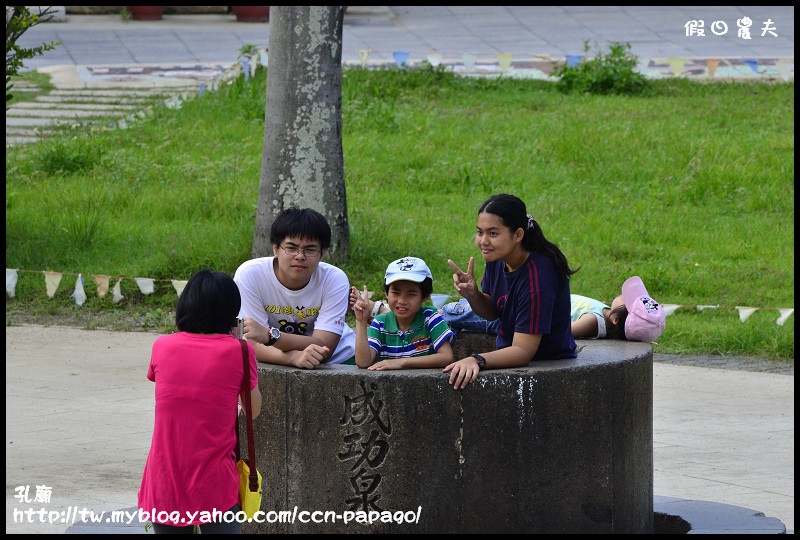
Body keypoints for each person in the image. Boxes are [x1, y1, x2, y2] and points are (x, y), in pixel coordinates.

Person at [138, 269, 262, 534]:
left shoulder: (162, 346)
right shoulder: (239, 350)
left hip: (165, 476)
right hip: (213, 479)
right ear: (231, 312)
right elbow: (253, 410)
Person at [443, 194, 578, 390]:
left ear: (518, 235)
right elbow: (493, 312)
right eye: (480, 232)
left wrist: (476, 360)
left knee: (449, 313)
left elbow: (523, 352)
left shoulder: (538, 277)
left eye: (493, 233)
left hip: (545, 363)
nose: (483, 241)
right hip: (510, 344)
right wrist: (473, 295)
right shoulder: (499, 258)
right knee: (449, 313)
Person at [233, 207, 356, 368]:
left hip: (341, 358)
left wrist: (270, 336)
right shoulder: (250, 275)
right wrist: (293, 358)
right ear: (276, 248)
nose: (300, 256)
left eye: (310, 249)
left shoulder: (334, 279)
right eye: (291, 248)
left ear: (322, 253)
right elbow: (254, 344)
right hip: (278, 356)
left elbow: (325, 347)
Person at [443, 278, 665, 342]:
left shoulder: (594, 321)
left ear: (616, 320)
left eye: (626, 300)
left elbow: (563, 332)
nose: (623, 295)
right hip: (521, 311)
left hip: (516, 320)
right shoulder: (606, 313)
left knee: (452, 313)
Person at [351, 257, 455, 370]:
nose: (401, 301)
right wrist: (361, 321)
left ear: (424, 296)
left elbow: (447, 357)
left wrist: (402, 362)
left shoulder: (430, 317)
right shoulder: (380, 323)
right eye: (395, 292)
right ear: (387, 293)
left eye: (411, 294)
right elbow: (363, 362)